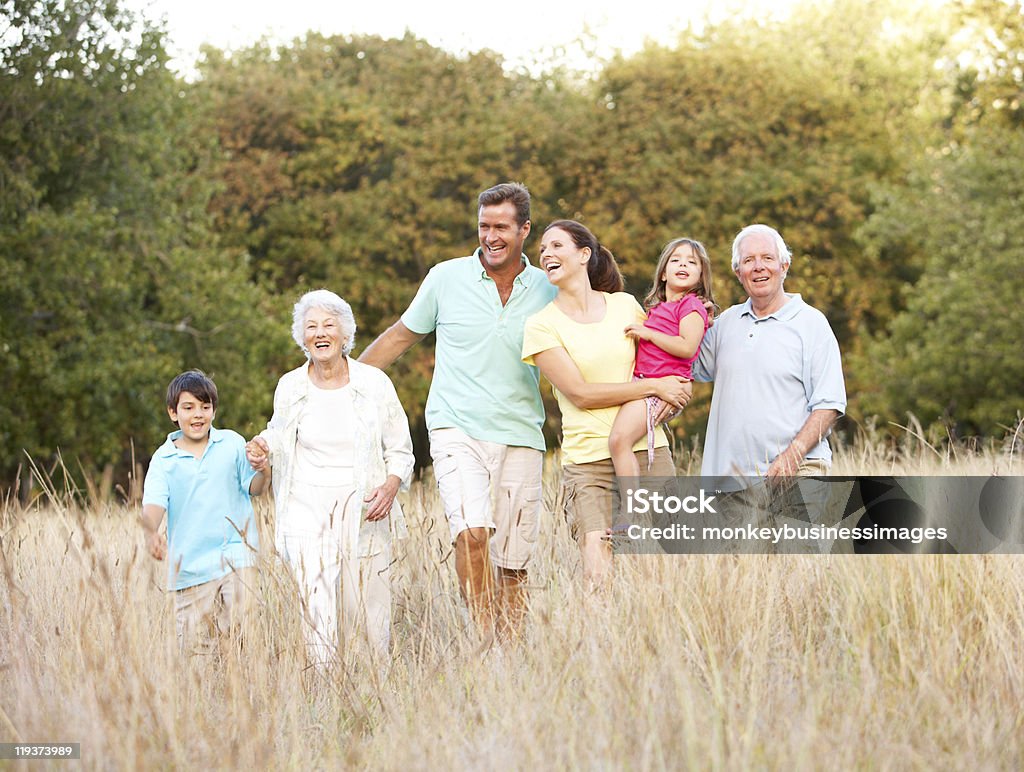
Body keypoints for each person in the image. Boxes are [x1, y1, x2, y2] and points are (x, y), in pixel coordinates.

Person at [358, 182, 554, 639]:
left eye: (502, 227)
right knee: (471, 533)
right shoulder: (445, 277)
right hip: (455, 427)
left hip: (522, 431)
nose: (491, 237)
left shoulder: (548, 287)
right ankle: (484, 637)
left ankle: (511, 650)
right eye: (484, 226)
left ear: (525, 229)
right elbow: (399, 337)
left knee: (513, 559)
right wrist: (341, 384)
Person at [245, 289, 414, 666]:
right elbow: (280, 431)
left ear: (345, 334)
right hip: (306, 507)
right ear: (301, 337)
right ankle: (324, 683)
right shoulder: (290, 385)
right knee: (317, 604)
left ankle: (375, 683)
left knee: (368, 608)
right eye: (311, 326)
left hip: (364, 509)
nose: (320, 333)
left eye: (328, 324)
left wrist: (390, 486)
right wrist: (261, 445)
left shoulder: (373, 384)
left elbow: (401, 449)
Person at [522, 220, 692, 586]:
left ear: (584, 254)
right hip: (588, 462)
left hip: (648, 450)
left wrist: (677, 391)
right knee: (598, 572)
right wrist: (655, 388)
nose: (546, 254)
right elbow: (581, 393)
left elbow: (661, 363)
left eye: (556, 246)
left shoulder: (625, 307)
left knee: (662, 569)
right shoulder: (541, 325)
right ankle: (600, 642)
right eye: (542, 251)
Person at [692, 224, 846, 480]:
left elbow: (829, 404)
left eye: (767, 258)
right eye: (748, 260)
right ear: (738, 272)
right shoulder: (725, 324)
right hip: (732, 482)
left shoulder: (811, 323)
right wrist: (693, 322)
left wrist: (793, 455)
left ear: (784, 267)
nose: (758, 266)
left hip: (799, 470)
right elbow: (689, 366)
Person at [141, 369, 269, 654]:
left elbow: (256, 488)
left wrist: (263, 469)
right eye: (189, 407)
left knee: (244, 634)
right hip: (189, 567)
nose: (198, 414)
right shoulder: (164, 459)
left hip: (236, 555)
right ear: (173, 413)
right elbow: (153, 505)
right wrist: (151, 533)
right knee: (197, 653)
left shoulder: (232, 443)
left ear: (213, 410)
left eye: (205, 406)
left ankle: (245, 692)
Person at [608, 238, 714, 478]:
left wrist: (648, 333)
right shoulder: (658, 308)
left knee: (619, 440)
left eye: (691, 262)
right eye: (675, 260)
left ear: (701, 275)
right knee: (625, 440)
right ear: (664, 273)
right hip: (645, 383)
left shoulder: (692, 306)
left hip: (662, 388)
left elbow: (687, 347)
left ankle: (631, 509)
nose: (682, 264)